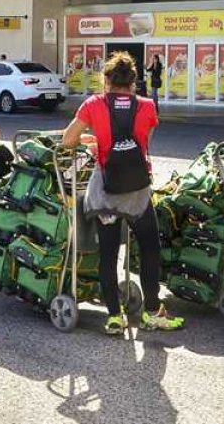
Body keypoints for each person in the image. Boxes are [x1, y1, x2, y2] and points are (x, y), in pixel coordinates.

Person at [62, 51, 184, 335]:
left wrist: (94, 140)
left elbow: (69, 140)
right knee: (150, 247)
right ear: (134, 82)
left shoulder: (93, 104)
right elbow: (142, 144)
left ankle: (115, 316)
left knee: (108, 253)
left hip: (105, 192)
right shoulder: (147, 106)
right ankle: (152, 312)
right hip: (137, 193)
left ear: (106, 79)